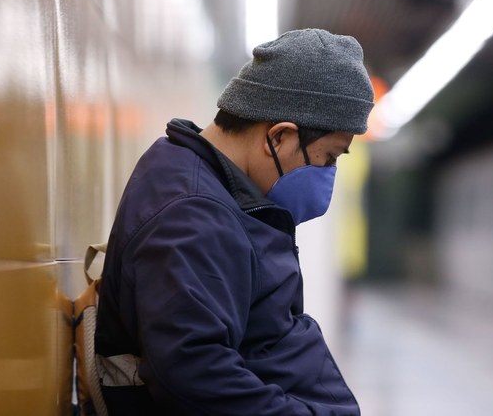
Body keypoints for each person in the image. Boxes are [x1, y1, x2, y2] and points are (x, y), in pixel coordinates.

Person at [94, 29, 374, 415]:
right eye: (329, 157)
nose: (329, 173)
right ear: (278, 138)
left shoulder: (219, 194)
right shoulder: (191, 215)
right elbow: (195, 375)